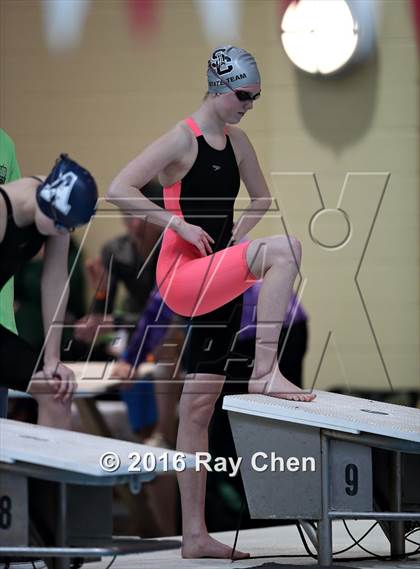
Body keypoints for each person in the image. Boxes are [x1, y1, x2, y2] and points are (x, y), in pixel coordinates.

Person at [107, 45, 315, 559]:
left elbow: (262, 198)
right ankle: (265, 371)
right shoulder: (182, 139)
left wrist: (233, 237)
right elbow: (119, 187)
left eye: (256, 97)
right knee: (286, 249)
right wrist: (174, 223)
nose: (249, 104)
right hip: (180, 276)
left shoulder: (238, 142)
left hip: (212, 277)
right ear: (220, 86)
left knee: (196, 408)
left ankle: (194, 536)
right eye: (244, 95)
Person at [0, 153, 98, 428]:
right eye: (58, 225)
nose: (60, 232)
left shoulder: (59, 208)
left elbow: (55, 280)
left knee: (56, 391)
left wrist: (53, 359)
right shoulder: (3, 208)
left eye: (66, 228)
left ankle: (43, 473)